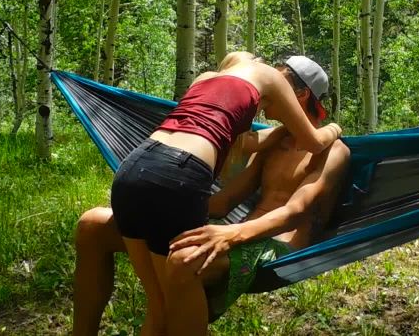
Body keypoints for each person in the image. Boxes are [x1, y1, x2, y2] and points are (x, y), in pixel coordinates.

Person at [106, 54, 343, 336]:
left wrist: (229, 235)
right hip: (239, 233)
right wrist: (160, 204)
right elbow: (225, 201)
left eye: (279, 80)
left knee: (183, 262)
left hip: (278, 246)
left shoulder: (334, 150)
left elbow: (296, 212)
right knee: (97, 225)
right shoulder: (273, 142)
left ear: (301, 94)